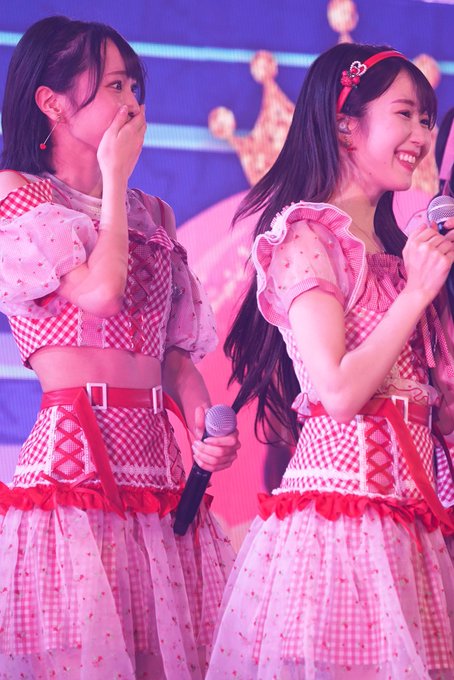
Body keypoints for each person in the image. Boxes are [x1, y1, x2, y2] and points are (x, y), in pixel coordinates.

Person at [0, 15, 239, 680]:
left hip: (157, 467)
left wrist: (201, 419)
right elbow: (101, 292)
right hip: (76, 462)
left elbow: (172, 353)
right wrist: (112, 179)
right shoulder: (18, 195)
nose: (132, 102)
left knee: (169, 657)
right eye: (113, 85)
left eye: (135, 85)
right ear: (51, 102)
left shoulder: (154, 214)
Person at [207, 43, 454, 679]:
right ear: (346, 124)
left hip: (413, 521)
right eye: (405, 114)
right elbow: (338, 391)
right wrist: (418, 294)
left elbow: (438, 408)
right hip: (342, 519)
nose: (421, 135)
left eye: (428, 120)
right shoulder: (305, 235)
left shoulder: (401, 252)